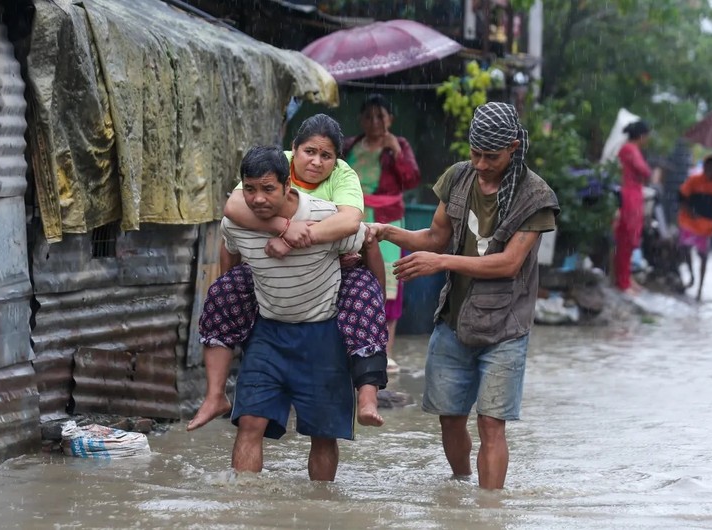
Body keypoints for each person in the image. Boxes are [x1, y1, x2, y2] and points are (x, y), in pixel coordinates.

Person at [367, 102, 559, 489]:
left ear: (514, 146)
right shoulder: (458, 177)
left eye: (492, 156)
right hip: (453, 321)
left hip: (506, 327)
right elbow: (435, 236)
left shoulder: (535, 196)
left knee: (491, 422)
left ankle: (488, 512)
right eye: (476, 154)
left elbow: (508, 263)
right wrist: (385, 232)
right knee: (450, 417)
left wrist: (442, 262)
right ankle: (460, 490)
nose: (482, 164)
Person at [188, 114, 389, 432]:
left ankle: (368, 397)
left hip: (337, 262)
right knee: (223, 292)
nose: (317, 161)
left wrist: (295, 240)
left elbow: (352, 224)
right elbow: (234, 208)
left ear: (336, 160)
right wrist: (284, 228)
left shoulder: (343, 176)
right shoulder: (271, 166)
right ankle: (215, 395)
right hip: (271, 269)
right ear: (293, 150)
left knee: (365, 299)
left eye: (326, 155)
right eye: (309, 151)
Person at [223, 145, 368, 480]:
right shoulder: (236, 222)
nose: (257, 199)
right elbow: (229, 252)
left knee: (323, 431)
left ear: (289, 186)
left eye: (268, 189)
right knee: (250, 422)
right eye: (250, 189)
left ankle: (319, 508)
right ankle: (242, 505)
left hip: (322, 334)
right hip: (268, 332)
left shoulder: (326, 216)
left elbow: (362, 240)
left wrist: (369, 313)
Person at [343, 94, 421, 371]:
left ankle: (385, 350)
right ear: (361, 120)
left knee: (388, 280)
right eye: (369, 116)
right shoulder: (350, 144)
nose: (375, 122)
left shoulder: (398, 145)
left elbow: (411, 179)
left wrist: (397, 152)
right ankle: (354, 345)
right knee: (351, 273)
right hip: (353, 217)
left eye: (381, 116)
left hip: (387, 222)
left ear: (390, 120)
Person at [677, 154, 712, 301]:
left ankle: (700, 287)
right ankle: (692, 277)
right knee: (685, 249)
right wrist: (689, 211)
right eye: (707, 167)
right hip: (689, 222)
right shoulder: (694, 180)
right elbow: (681, 196)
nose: (710, 170)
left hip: (706, 226)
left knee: (703, 256)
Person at [614, 120, 652, 295]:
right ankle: (622, 281)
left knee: (630, 239)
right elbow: (644, 171)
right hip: (630, 196)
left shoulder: (631, 149)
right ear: (642, 135)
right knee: (626, 238)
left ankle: (627, 278)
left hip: (634, 195)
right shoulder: (629, 149)